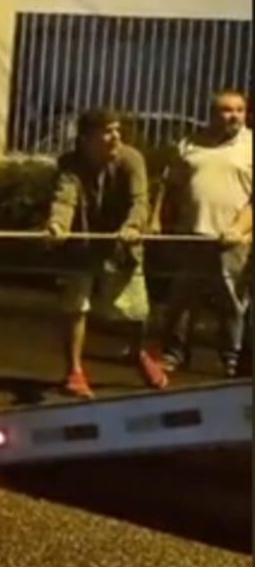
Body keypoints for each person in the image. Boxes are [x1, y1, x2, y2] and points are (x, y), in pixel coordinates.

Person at [45, 108, 168, 399]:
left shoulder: (131, 159)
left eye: (117, 130)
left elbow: (140, 201)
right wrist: (57, 225)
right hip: (82, 243)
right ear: (86, 138)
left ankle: (137, 354)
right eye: (107, 131)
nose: (116, 137)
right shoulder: (70, 164)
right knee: (75, 306)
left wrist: (133, 227)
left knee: (136, 311)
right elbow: (64, 198)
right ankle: (74, 371)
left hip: (123, 243)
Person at [157, 89, 252, 378]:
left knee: (232, 301)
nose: (233, 116)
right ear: (211, 114)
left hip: (233, 239)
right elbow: (169, 187)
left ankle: (230, 358)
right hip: (192, 234)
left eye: (238, 110)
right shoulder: (190, 144)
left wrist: (239, 227)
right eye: (225, 110)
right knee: (182, 298)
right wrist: (155, 220)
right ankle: (174, 354)